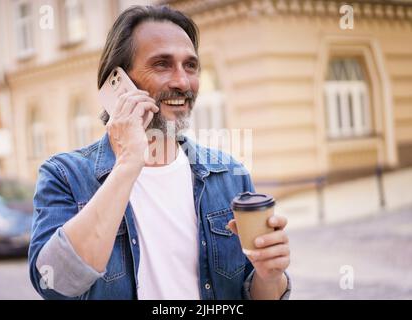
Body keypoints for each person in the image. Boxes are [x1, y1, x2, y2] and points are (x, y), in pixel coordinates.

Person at [28, 5, 291, 300]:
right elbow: (54, 284)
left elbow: (254, 292)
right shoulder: (64, 175)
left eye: (190, 66)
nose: (182, 81)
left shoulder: (229, 174)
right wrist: (128, 164)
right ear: (119, 82)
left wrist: (270, 276)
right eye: (162, 64)